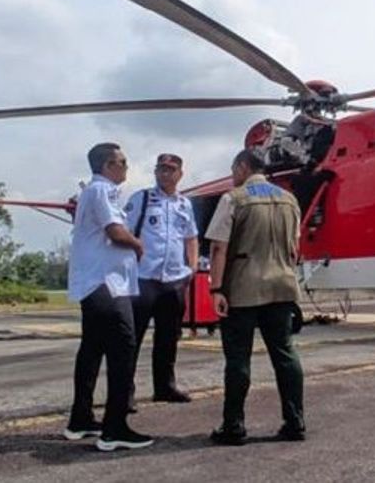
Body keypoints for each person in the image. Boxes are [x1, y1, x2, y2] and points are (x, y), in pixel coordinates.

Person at [206, 148, 306, 445]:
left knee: (238, 359)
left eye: (234, 169)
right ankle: (295, 421)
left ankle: (233, 426)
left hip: (243, 289)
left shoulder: (233, 198)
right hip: (283, 287)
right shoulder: (290, 200)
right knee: (285, 354)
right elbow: (294, 249)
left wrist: (216, 289)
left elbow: (218, 248)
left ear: (242, 167)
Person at [64, 142, 154, 452]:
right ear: (107, 166)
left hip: (98, 284)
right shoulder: (101, 191)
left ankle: (81, 419)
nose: (127, 166)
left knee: (92, 349)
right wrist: (138, 244)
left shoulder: (97, 192)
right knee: (123, 348)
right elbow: (116, 233)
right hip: (106, 285)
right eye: (122, 161)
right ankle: (115, 428)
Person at [127, 153, 199, 405]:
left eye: (171, 170)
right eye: (161, 169)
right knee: (132, 338)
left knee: (169, 337)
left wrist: (191, 267)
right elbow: (125, 232)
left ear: (180, 174)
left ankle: (165, 386)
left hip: (173, 280)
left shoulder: (184, 204)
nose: (165, 174)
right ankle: (125, 392)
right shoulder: (143, 199)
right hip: (144, 278)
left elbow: (190, 237)